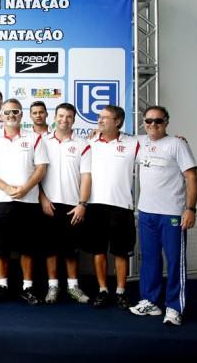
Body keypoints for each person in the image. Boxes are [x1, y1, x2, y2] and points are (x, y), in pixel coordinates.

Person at [129, 106, 197, 326]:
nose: (152, 125)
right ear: (143, 122)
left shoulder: (177, 144)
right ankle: (150, 301)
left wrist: (190, 209)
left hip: (172, 214)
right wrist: (95, 133)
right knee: (149, 260)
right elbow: (114, 137)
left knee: (175, 262)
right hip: (146, 212)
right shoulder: (140, 143)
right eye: (148, 121)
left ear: (166, 122)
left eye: (157, 121)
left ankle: (174, 307)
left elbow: (192, 177)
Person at [0, 98, 48, 304]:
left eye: (15, 112)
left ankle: (28, 287)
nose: (11, 116)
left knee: (28, 247)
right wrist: (6, 188)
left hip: (29, 201)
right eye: (7, 112)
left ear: (21, 114)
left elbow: (41, 168)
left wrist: (26, 188)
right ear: (1, 115)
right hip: (1, 201)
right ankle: (2, 284)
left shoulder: (35, 138)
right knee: (1, 247)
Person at [84, 105, 139, 309]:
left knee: (120, 252)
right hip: (95, 205)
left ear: (117, 121)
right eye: (99, 117)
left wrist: (177, 140)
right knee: (98, 251)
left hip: (122, 206)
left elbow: (156, 145)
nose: (99, 121)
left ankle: (121, 292)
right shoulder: (89, 142)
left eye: (105, 118)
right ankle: (102, 290)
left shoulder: (133, 142)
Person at [39, 103, 91, 304]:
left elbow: (86, 176)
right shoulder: (42, 141)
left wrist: (82, 204)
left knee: (72, 250)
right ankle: (53, 286)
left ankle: (73, 287)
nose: (64, 120)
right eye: (61, 116)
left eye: (69, 116)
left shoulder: (82, 144)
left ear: (74, 119)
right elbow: (36, 173)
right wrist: (42, 198)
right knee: (50, 248)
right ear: (54, 117)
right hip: (48, 204)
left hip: (73, 206)